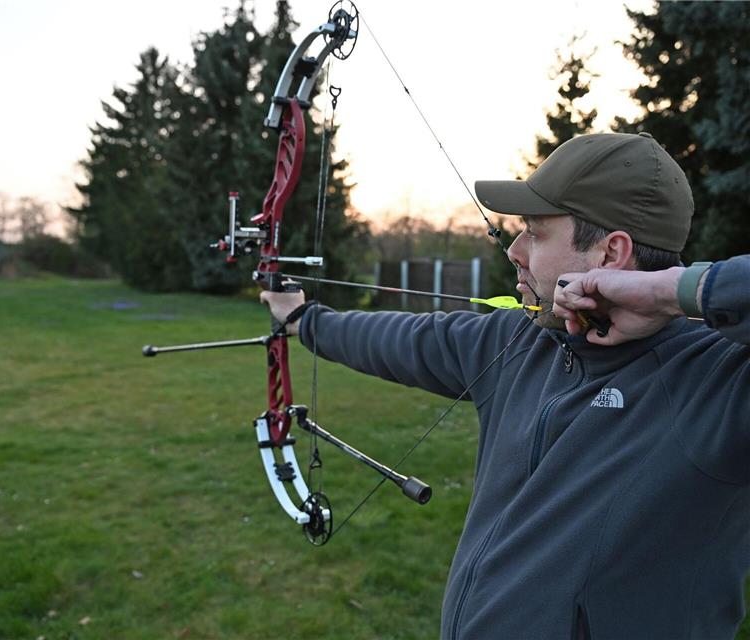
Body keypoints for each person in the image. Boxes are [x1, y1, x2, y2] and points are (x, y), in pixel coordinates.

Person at [261, 132, 749, 639]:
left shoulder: (720, 382)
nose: (514, 250)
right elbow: (404, 339)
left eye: (535, 233)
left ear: (611, 254)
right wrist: (304, 321)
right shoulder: (520, 341)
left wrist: (675, 290)